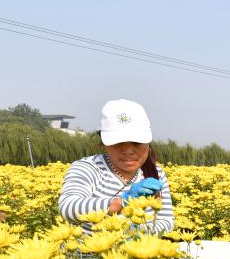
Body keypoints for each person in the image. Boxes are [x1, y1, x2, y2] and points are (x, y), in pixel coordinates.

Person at [58, 99, 174, 234]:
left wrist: (134, 234)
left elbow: (166, 221)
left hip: (139, 251)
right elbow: (68, 207)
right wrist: (122, 202)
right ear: (103, 142)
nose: (128, 150)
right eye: (118, 142)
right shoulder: (88, 167)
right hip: (89, 253)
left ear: (148, 142)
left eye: (137, 142)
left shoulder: (156, 173)